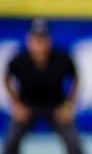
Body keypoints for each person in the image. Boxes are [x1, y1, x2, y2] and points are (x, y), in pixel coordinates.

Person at [3, 19, 84, 154]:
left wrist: (68, 105)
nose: (39, 43)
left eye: (43, 38)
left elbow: (76, 78)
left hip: (56, 105)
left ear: (49, 40)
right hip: (27, 105)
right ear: (29, 40)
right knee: (11, 142)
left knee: (74, 143)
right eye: (36, 38)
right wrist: (16, 104)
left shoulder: (62, 59)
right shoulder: (20, 60)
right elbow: (6, 79)